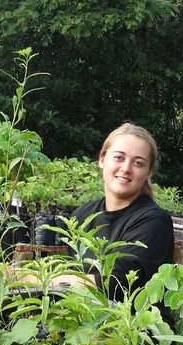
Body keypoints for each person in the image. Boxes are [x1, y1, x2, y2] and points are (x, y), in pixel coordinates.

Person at [66, 123, 175, 301]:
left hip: (132, 319)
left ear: (149, 172)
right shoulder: (82, 216)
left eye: (138, 163)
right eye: (119, 157)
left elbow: (115, 284)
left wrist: (33, 279)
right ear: (102, 159)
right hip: (83, 316)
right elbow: (70, 273)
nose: (126, 168)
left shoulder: (154, 222)